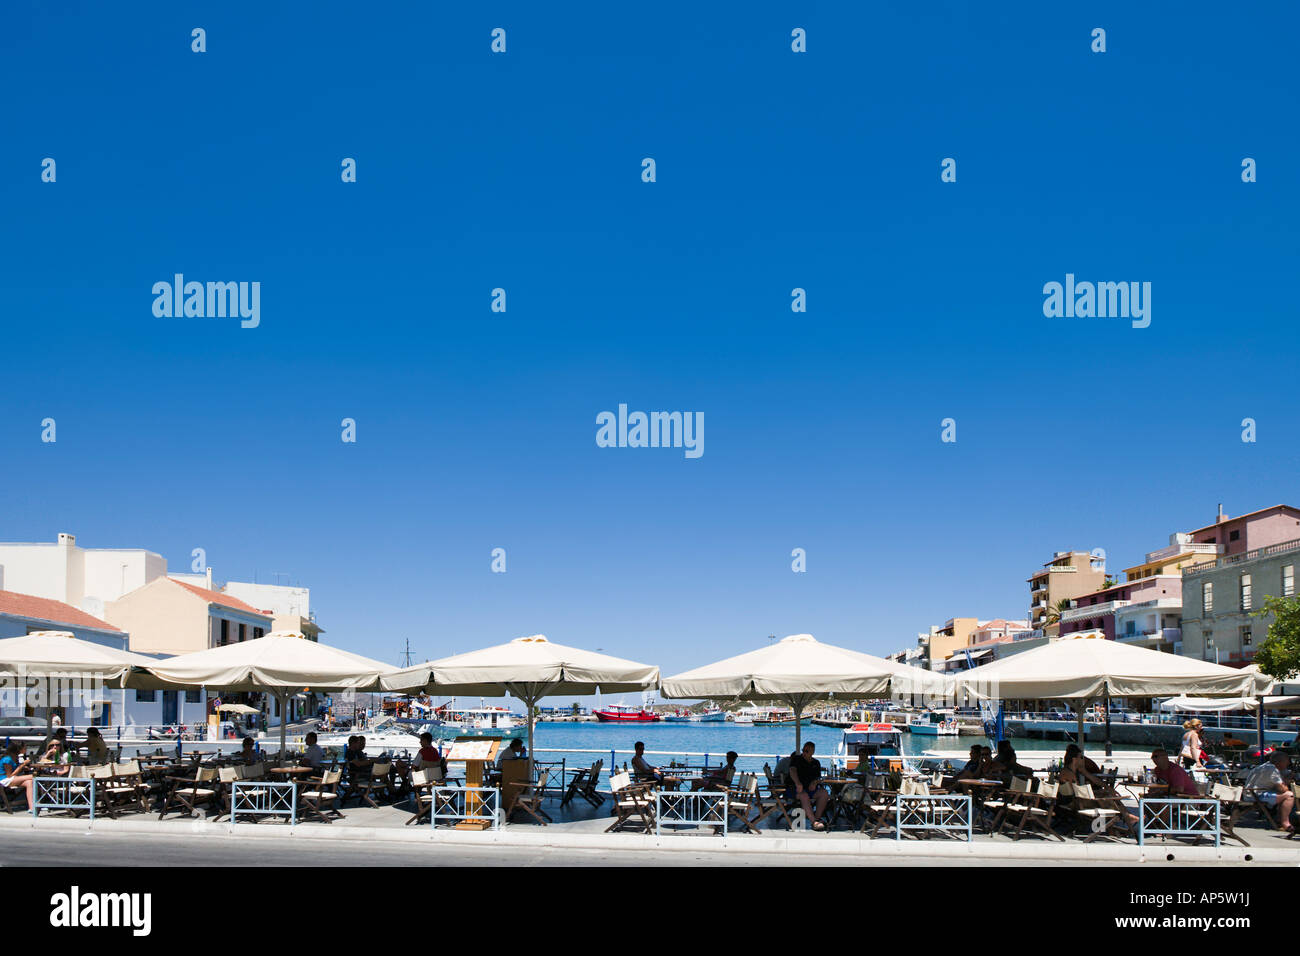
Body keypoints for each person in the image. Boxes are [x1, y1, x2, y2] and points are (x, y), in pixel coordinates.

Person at [1244, 752, 1295, 832]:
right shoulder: (1272, 769)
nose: (1288, 764)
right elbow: (1283, 789)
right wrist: (1287, 780)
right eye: (1287, 762)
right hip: (1256, 796)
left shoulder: (1264, 766)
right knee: (1289, 795)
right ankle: (1285, 823)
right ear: (1280, 762)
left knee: (1283, 795)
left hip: (1250, 794)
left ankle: (1278, 820)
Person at [787, 741, 830, 831]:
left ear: (812, 752)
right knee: (804, 795)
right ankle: (814, 822)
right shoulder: (797, 759)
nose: (804, 752)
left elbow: (818, 777)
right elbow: (792, 770)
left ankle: (817, 818)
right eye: (803, 750)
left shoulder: (816, 763)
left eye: (807, 751)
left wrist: (815, 782)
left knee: (824, 793)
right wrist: (797, 783)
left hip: (810, 789)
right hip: (795, 789)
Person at [0, 744, 35, 809]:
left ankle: (32, 807)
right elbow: (9, 775)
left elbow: (15, 770)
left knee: (29, 782)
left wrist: (23, 767)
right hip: (4, 780)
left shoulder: (13, 759)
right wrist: (22, 765)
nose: (18, 756)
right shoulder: (7, 759)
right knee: (34, 777)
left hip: (11, 779)